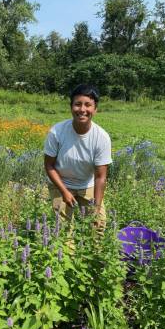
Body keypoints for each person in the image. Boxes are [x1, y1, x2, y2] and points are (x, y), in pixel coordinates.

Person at [44, 84, 112, 248]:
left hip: (86, 185)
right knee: (62, 229)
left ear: (95, 109)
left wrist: (96, 206)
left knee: (98, 224)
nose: (82, 109)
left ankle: (93, 259)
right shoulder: (57, 132)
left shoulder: (101, 137)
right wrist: (65, 192)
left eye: (88, 105)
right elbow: (49, 166)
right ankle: (67, 262)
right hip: (61, 183)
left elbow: (100, 176)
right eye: (77, 104)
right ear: (71, 107)